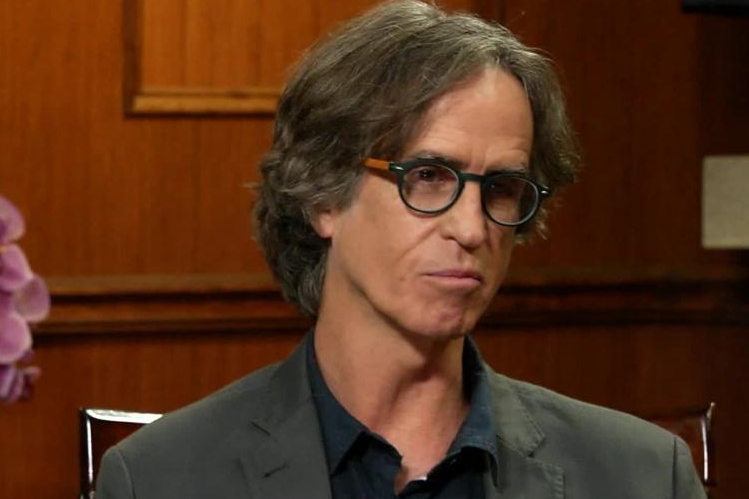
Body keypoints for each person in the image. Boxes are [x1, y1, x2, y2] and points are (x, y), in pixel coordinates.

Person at [96, 1, 706, 498]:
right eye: (429, 176)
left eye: (501, 188)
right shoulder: (160, 479)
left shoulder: (645, 476)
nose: (472, 229)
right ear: (324, 196)